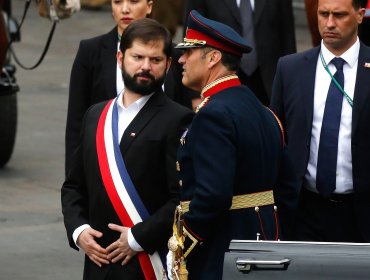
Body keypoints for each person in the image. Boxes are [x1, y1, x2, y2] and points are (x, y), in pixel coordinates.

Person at [167, 10, 299, 280]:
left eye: (189, 52)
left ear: (213, 58)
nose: (181, 59)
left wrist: (183, 245)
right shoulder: (264, 112)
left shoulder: (213, 114)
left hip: (223, 251)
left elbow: (213, 195)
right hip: (266, 245)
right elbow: (287, 187)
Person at [61, 18, 194, 280]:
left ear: (168, 65)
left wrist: (137, 238)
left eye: (155, 60)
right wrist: (78, 231)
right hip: (97, 262)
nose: (145, 66)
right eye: (138, 57)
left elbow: (182, 199)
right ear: (120, 58)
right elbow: (73, 186)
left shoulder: (179, 119)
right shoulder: (95, 115)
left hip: (147, 263)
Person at [270, 0, 370, 242]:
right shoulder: (290, 69)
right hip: (302, 211)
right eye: (323, 14)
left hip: (361, 212)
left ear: (359, 15)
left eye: (339, 15)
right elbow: (276, 137)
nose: (330, 23)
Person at [65, 0, 197, 176]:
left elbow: (184, 122)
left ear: (149, 6)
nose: (125, 9)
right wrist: (73, 180)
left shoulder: (175, 54)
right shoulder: (90, 51)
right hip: (106, 168)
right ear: (120, 58)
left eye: (134, 1)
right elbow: (76, 123)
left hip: (160, 172)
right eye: (117, 2)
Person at [184, 0, 297, 106]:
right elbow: (192, 39)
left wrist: (290, 89)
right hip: (221, 83)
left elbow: (288, 37)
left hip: (269, 83)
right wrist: (194, 95)